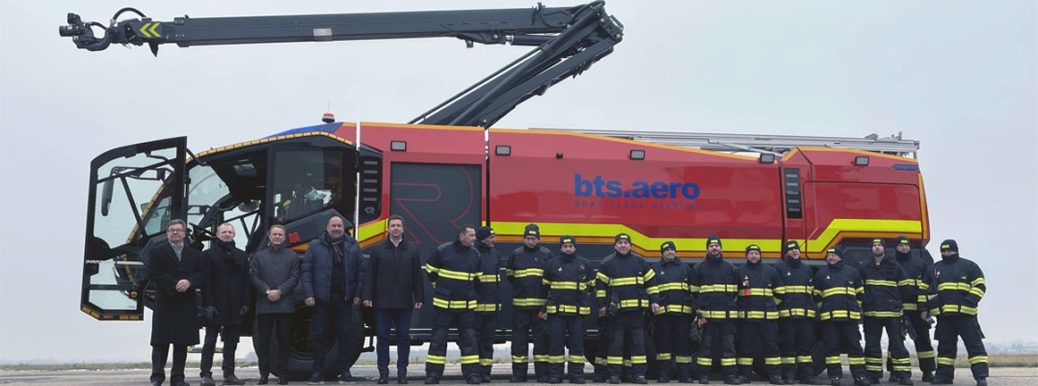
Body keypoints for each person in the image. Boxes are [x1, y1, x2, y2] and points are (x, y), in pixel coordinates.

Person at [362, 215, 425, 384]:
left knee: (403, 337)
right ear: (388, 229)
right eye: (393, 226)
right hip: (382, 303)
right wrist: (367, 296)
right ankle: (383, 373)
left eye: (398, 226)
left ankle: (402, 373)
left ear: (403, 229)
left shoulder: (412, 250)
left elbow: (417, 276)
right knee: (382, 337)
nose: (396, 228)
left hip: (404, 303)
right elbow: (370, 275)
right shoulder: (377, 250)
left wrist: (419, 296)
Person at [302, 216, 363, 384]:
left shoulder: (352, 246)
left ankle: (345, 372)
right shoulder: (315, 246)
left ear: (343, 228)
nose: (336, 228)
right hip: (322, 301)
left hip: (344, 300)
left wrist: (357, 294)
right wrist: (308, 294)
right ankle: (318, 373)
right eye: (333, 226)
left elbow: (360, 273)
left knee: (345, 336)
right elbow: (307, 270)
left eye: (339, 226)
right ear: (327, 228)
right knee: (319, 336)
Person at [922, 240, 988, 386]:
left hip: (966, 316)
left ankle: (981, 377)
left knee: (974, 346)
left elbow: (980, 285)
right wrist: (926, 309)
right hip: (945, 317)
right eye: (944, 251)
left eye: (950, 251)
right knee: (945, 350)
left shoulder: (969, 266)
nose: (947, 253)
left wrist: (970, 301)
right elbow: (924, 290)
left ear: (956, 250)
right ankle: (943, 377)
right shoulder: (934, 269)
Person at [147, 219, 204, 386]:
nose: (175, 233)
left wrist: (189, 282)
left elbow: (202, 274)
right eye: (172, 230)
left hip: (186, 303)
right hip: (165, 301)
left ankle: (178, 378)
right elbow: (154, 273)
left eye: (179, 230)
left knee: (181, 342)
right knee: (160, 343)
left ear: (184, 234)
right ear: (167, 233)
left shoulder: (195, 254)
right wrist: (174, 284)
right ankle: (157, 377)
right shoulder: (157, 252)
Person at [596, 233, 658, 384]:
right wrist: (602, 305)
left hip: (637, 314)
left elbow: (651, 284)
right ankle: (614, 375)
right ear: (615, 245)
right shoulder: (607, 263)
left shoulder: (640, 262)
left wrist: (654, 302)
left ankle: (638, 375)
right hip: (616, 314)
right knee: (615, 346)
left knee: (638, 347)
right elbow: (601, 288)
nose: (623, 245)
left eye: (626, 242)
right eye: (620, 242)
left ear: (630, 245)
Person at [424, 225, 482, 385]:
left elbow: (478, 280)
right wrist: (442, 289)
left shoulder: (476, 254)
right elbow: (430, 271)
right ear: (462, 236)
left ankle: (472, 375)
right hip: (444, 307)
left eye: (475, 235)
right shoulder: (443, 251)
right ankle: (432, 376)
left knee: (469, 342)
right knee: (438, 341)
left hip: (466, 309)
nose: (474, 238)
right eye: (471, 235)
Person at [199, 223, 251, 386]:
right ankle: (206, 374)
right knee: (210, 342)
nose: (227, 234)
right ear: (218, 235)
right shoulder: (208, 255)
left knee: (231, 342)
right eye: (224, 232)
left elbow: (246, 282)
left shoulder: (242, 256)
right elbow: (205, 282)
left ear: (234, 234)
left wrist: (245, 303)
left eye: (230, 232)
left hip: (235, 305)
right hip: (215, 304)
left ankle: (229, 373)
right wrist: (208, 304)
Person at [251, 224, 301, 385]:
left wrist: (280, 291)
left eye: (280, 234)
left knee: (284, 341)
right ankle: (263, 374)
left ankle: (283, 374)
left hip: (284, 305)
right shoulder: (259, 256)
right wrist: (267, 291)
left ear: (284, 237)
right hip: (264, 305)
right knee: (263, 342)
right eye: (274, 234)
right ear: (269, 236)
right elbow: (254, 277)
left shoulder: (292, 256)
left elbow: (294, 277)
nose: (277, 237)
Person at [860, 239, 913, 385]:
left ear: (884, 248)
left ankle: (903, 375)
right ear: (871, 249)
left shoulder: (895, 266)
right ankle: (873, 375)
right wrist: (866, 300)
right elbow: (858, 289)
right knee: (872, 345)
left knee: (897, 345)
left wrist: (896, 303)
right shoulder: (864, 268)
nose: (877, 247)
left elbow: (905, 288)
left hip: (892, 314)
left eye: (879, 245)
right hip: (872, 313)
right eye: (874, 245)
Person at [813, 247, 869, 386]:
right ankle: (835, 376)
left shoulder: (852, 272)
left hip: (849, 319)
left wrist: (855, 308)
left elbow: (860, 294)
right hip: (830, 319)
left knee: (854, 347)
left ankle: (860, 376)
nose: (831, 257)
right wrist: (825, 310)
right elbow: (816, 297)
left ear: (840, 257)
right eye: (829, 255)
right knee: (831, 348)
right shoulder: (821, 274)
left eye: (833, 255)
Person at [543, 235, 593, 384]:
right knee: (555, 345)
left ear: (575, 248)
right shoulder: (551, 264)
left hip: (577, 313)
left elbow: (591, 285)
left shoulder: (584, 264)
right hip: (557, 313)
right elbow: (545, 286)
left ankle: (576, 375)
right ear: (560, 248)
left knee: (577, 346)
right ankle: (555, 375)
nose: (568, 249)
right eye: (565, 246)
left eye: (570, 246)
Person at [691, 235, 739, 385]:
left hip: (726, 317)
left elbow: (736, 292)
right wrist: (699, 311)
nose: (714, 248)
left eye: (716, 245)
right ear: (707, 249)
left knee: (729, 348)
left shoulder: (730, 268)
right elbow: (694, 291)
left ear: (721, 248)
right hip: (707, 317)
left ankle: (729, 377)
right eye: (711, 246)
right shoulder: (699, 267)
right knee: (705, 347)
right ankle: (703, 376)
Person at [507, 224, 552, 382]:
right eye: (528, 238)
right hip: (520, 308)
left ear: (539, 239)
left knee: (541, 343)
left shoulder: (547, 254)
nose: (530, 241)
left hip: (540, 308)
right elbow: (510, 275)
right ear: (524, 238)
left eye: (533, 238)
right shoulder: (516, 254)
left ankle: (542, 375)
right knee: (519, 343)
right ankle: (519, 375)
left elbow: (551, 279)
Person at [772, 241, 822, 384]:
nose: (795, 251)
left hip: (805, 317)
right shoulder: (779, 268)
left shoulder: (806, 269)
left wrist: (813, 311)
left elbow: (810, 293)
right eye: (791, 249)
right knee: (788, 347)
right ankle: (788, 376)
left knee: (805, 348)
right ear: (786, 252)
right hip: (787, 317)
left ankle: (807, 375)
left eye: (796, 249)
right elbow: (776, 291)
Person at [733, 244, 784, 385]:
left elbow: (780, 293)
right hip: (746, 319)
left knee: (771, 347)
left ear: (760, 255)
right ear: (747, 256)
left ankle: (775, 376)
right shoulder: (739, 272)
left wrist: (770, 306)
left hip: (767, 319)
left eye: (756, 253)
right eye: (751, 253)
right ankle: (744, 375)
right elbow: (733, 295)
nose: (754, 256)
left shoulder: (770, 271)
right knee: (745, 348)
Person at [647, 241, 695, 383]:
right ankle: (664, 375)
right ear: (662, 253)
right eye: (667, 250)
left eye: (672, 250)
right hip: (663, 315)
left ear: (675, 252)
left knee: (683, 346)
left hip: (683, 315)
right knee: (663, 346)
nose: (670, 252)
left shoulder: (685, 268)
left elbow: (692, 290)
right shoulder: (655, 268)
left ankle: (684, 375)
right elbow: (651, 289)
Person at [889, 236, 936, 382]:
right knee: (895, 341)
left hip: (918, 309)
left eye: (906, 245)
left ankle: (928, 372)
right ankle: (894, 371)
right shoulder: (891, 264)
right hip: (898, 309)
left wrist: (926, 309)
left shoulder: (920, 264)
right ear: (895, 247)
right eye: (901, 245)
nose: (904, 247)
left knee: (923, 340)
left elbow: (929, 286)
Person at [473, 226, 502, 383]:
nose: (494, 240)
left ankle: (485, 373)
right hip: (476, 309)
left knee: (487, 343)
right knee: (474, 343)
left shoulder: (495, 255)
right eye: (491, 237)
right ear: (483, 238)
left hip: (491, 308)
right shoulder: (473, 254)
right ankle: (474, 373)